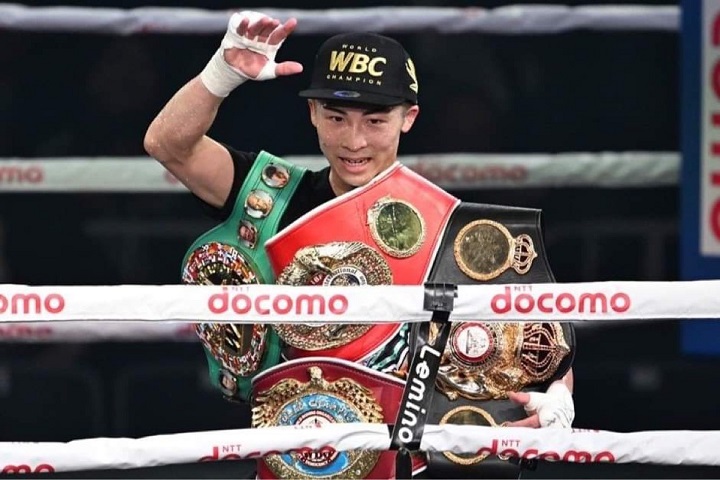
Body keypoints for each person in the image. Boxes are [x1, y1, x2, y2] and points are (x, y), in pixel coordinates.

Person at [145, 11, 575, 480]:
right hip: (291, 461)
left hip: (411, 468)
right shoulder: (272, 196)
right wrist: (221, 75)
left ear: (408, 118)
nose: (354, 141)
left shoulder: (449, 229)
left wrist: (559, 397)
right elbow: (168, 144)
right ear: (312, 113)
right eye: (336, 118)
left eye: (375, 120)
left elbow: (538, 342)